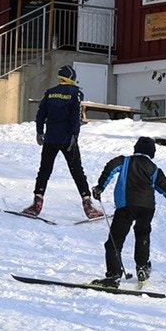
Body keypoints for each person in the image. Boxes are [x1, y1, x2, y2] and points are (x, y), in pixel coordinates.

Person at [91, 135, 166, 288]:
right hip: (147, 208)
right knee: (142, 234)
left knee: (114, 241)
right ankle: (142, 267)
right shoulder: (154, 169)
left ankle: (114, 275)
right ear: (151, 153)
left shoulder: (124, 161)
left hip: (126, 206)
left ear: (135, 149)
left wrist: (100, 187)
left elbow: (110, 167)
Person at [22, 64, 103, 220]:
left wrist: (39, 132)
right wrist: (75, 134)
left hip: (50, 139)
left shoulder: (50, 93)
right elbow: (75, 116)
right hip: (67, 140)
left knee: (44, 170)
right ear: (72, 78)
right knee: (77, 171)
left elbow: (40, 115)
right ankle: (87, 204)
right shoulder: (76, 94)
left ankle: (37, 202)